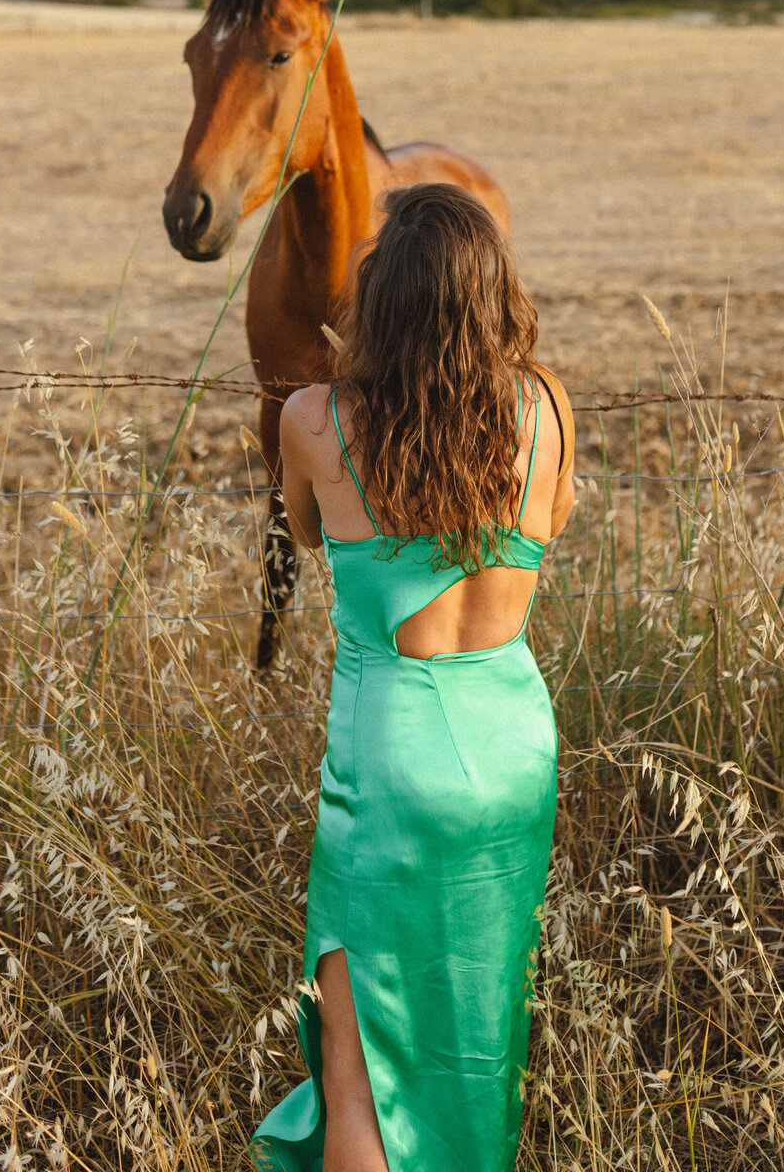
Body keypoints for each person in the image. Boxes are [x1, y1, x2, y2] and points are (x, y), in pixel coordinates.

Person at [251, 183, 575, 1172]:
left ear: (378, 299)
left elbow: (305, 535)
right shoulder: (546, 405)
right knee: (477, 1048)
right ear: (494, 296)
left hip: (389, 758)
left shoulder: (314, 419)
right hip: (511, 746)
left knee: (362, 1074)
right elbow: (547, 524)